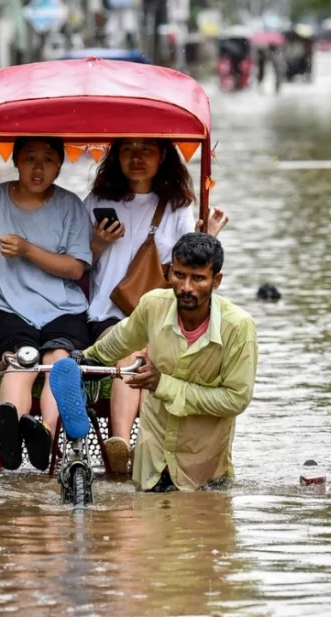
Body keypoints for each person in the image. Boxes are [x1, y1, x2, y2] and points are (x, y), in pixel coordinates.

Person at [83, 138, 228, 474]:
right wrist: (98, 243)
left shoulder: (176, 207)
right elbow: (78, 263)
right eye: (127, 150)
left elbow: (189, 265)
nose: (136, 158)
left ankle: (149, 445)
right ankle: (120, 445)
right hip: (108, 312)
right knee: (132, 352)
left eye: (146, 150)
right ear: (116, 157)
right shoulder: (97, 202)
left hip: (159, 314)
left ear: (162, 156)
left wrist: (211, 236)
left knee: (150, 351)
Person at [0, 137, 93, 472]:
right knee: (21, 360)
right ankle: (12, 428)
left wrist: (28, 250)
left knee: (58, 361)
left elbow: (75, 268)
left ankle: (44, 431)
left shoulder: (70, 205)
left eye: (47, 159)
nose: (38, 168)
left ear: (59, 164)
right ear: (16, 161)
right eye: (30, 158)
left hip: (63, 308)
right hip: (8, 308)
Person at [81, 233, 257, 492]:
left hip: (203, 469)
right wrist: (86, 359)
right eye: (179, 275)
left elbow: (236, 399)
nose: (186, 287)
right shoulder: (153, 305)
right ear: (169, 273)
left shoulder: (239, 328)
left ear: (216, 281)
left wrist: (164, 384)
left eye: (198, 278)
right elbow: (121, 339)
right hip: (151, 463)